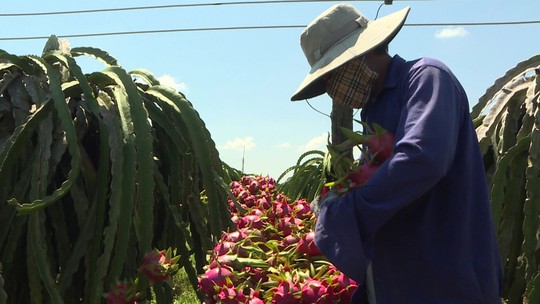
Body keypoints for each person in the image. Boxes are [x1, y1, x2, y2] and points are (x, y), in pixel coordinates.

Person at [290, 4, 502, 304]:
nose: (332, 89)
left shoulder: (426, 78)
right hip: (398, 280)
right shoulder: (373, 109)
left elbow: (421, 158)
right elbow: (374, 174)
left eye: (332, 74)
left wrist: (343, 214)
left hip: (447, 280)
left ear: (362, 53)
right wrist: (335, 193)